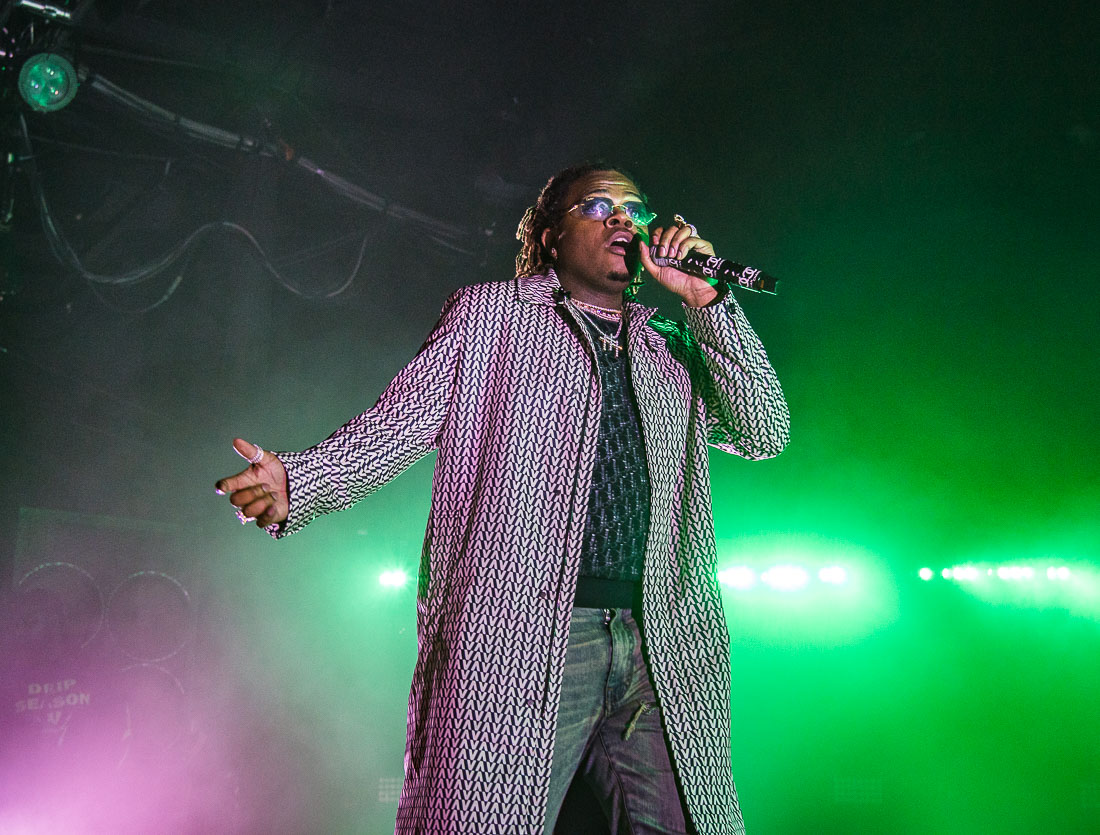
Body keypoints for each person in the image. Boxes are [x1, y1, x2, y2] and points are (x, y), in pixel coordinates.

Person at [215, 162, 790, 834]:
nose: (622, 220)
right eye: (597, 206)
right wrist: (300, 480)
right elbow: (396, 424)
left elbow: (765, 429)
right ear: (550, 235)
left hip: (659, 643)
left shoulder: (671, 347)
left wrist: (706, 300)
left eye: (634, 208)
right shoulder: (490, 318)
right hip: (521, 636)